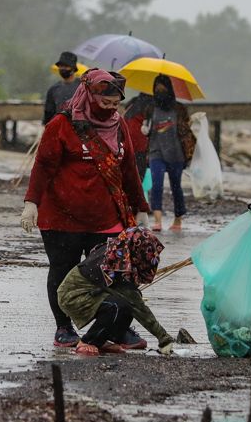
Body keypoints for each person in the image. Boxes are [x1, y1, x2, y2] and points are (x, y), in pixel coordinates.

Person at [21, 69, 151, 348]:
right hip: (61, 218)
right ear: (89, 96)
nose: (110, 109)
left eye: (115, 104)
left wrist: (141, 207)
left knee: (113, 274)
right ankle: (63, 327)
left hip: (105, 218)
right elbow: (43, 166)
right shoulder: (61, 124)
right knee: (62, 270)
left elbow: (128, 169)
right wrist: (31, 204)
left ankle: (115, 328)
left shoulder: (119, 126)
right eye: (104, 103)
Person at [56, 227, 176, 356]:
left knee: (128, 300)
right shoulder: (118, 265)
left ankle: (104, 339)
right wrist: (164, 338)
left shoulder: (118, 251)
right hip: (73, 297)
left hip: (94, 292)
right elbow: (139, 307)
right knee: (119, 305)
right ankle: (88, 342)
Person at [146, 74, 197, 232]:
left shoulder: (179, 108)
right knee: (157, 185)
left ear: (169, 89)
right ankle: (157, 220)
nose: (160, 91)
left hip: (176, 154)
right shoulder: (150, 108)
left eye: (163, 88)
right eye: (157, 88)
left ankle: (178, 220)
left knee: (176, 187)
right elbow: (147, 129)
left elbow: (186, 130)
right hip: (156, 152)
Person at [42, 51, 82, 125]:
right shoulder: (53, 89)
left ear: (73, 68)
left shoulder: (82, 87)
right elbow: (48, 113)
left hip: (79, 129)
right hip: (59, 129)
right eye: (61, 66)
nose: (63, 69)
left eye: (66, 66)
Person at [123, 93, 154, 181]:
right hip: (140, 146)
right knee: (139, 176)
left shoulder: (132, 103)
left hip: (127, 143)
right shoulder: (150, 105)